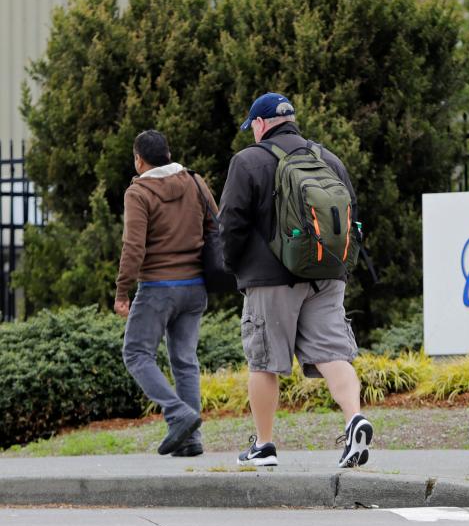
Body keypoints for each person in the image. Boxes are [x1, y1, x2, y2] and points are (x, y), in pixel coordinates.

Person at [218, 92, 372, 468]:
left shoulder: (248, 161)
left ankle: (265, 444)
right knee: (333, 353)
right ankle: (354, 418)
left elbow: (231, 223)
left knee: (265, 362)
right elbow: (350, 215)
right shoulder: (328, 159)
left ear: (259, 123)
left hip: (270, 280)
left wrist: (234, 266)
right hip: (327, 275)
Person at [115, 130, 217, 457]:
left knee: (136, 353)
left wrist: (122, 291)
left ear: (139, 160)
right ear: (169, 153)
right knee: (185, 361)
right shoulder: (196, 182)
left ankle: (178, 414)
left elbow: (133, 247)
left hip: (158, 288)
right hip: (194, 287)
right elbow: (216, 226)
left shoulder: (139, 191)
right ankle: (191, 441)